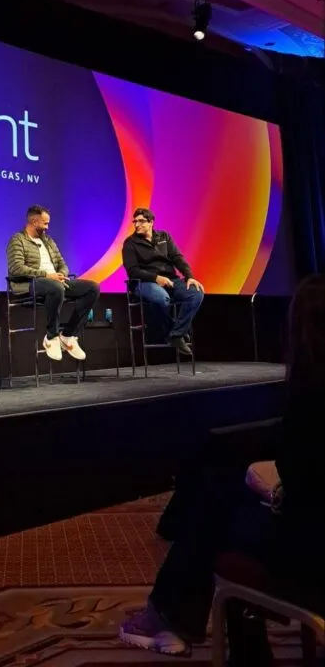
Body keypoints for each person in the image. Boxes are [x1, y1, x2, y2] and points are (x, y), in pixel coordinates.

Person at [119, 273, 325, 660]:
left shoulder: (312, 404)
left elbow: (302, 494)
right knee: (223, 489)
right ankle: (171, 614)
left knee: (221, 510)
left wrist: (276, 491)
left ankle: (179, 620)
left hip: (314, 562)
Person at [6, 205, 99, 362]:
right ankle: (51, 336)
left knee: (92, 288)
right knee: (54, 287)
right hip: (29, 284)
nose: (47, 227)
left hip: (54, 282)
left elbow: (62, 263)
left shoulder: (48, 241)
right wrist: (47, 275)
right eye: (45, 223)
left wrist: (61, 274)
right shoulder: (18, 240)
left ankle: (68, 335)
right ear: (34, 221)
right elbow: (16, 268)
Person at [122, 207, 204, 355]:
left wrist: (189, 276)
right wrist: (156, 278)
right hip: (144, 282)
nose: (137, 225)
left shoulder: (164, 236)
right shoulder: (130, 243)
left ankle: (177, 334)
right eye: (135, 221)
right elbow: (132, 270)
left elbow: (177, 258)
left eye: (141, 221)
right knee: (161, 298)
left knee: (196, 293)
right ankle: (175, 330)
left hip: (170, 280)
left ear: (151, 222)